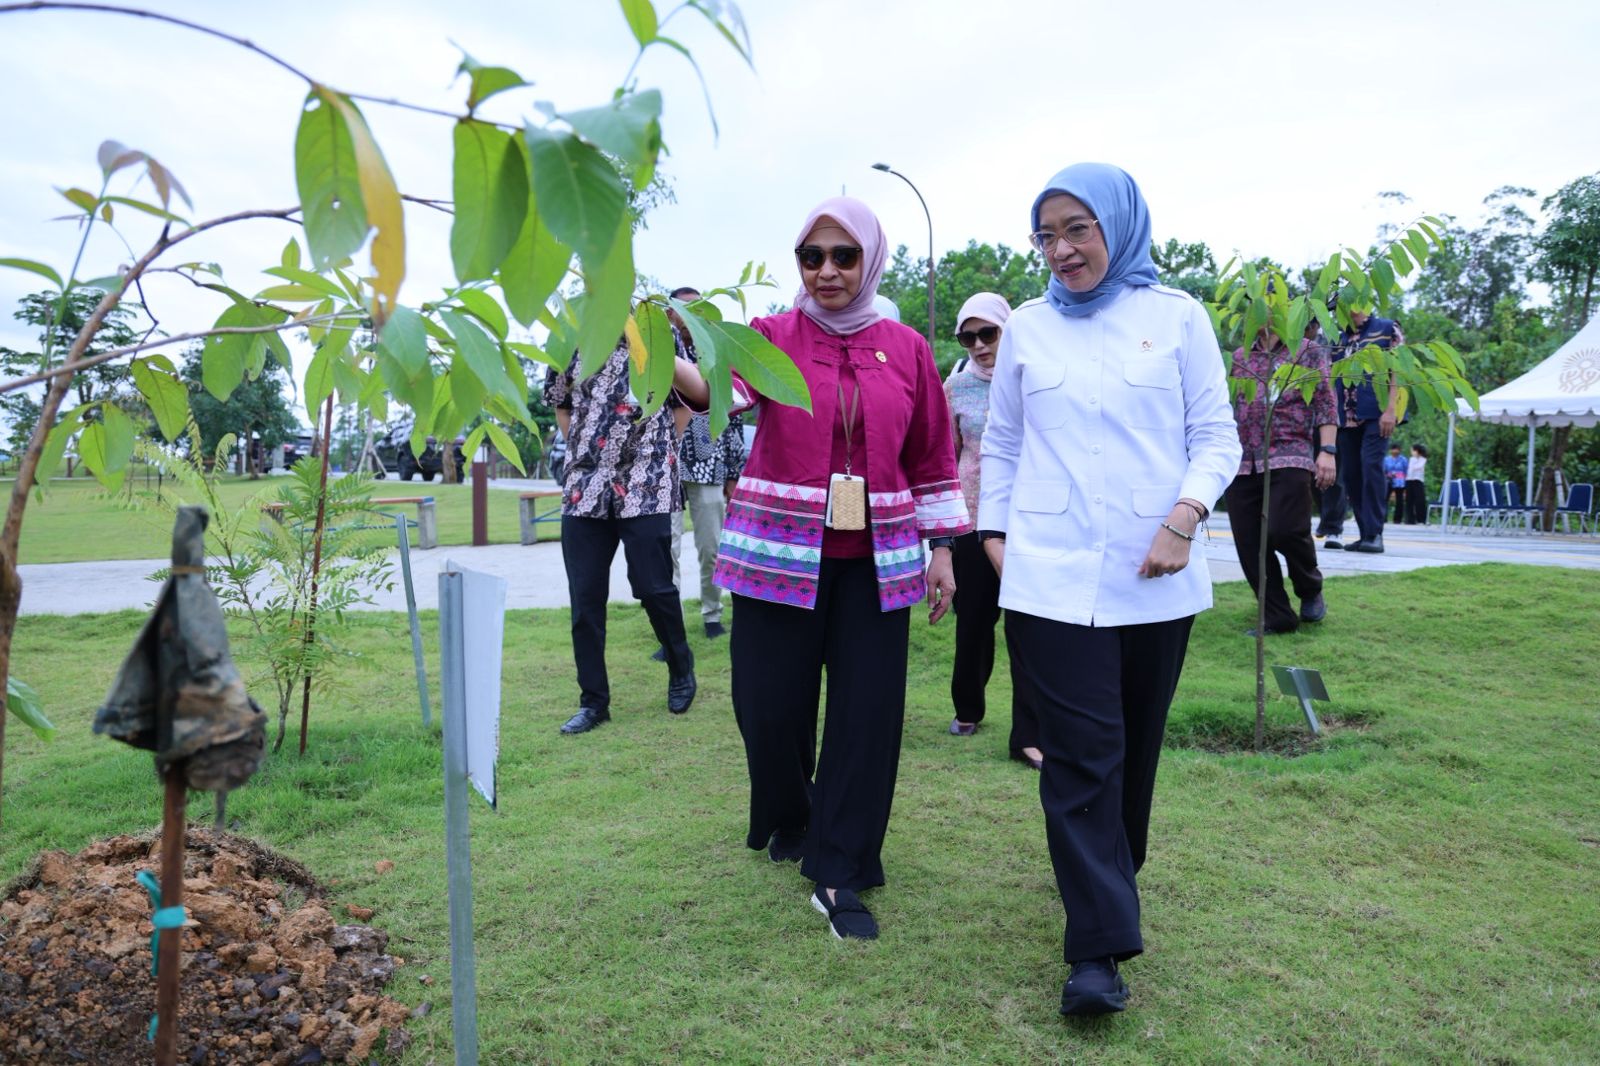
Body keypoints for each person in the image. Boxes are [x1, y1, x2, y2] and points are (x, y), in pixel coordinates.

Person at [979, 164, 1240, 1015]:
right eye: (1046, 235)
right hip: (1048, 578)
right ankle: (1097, 954)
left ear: (1117, 227)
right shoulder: (1024, 328)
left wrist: (1185, 516)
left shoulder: (1177, 318)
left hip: (1155, 579)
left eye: (1077, 230)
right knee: (1082, 760)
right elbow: (1004, 442)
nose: (1060, 250)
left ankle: (1111, 877)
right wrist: (993, 535)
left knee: (1131, 759)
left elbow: (1216, 437)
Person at [672, 196, 968, 942]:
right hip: (778, 556)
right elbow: (717, 392)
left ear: (871, 259)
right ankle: (790, 813)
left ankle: (840, 869)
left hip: (879, 562)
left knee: (866, 719)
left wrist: (942, 550)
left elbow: (931, 453)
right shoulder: (771, 337)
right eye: (812, 257)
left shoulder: (907, 348)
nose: (827, 271)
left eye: (844, 256)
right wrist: (644, 342)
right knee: (766, 708)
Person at [543, 331, 697, 735]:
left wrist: (660, 450)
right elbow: (562, 405)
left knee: (652, 585)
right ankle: (593, 702)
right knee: (585, 597)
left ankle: (680, 665)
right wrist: (588, 447)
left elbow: (685, 404)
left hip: (646, 480)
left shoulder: (654, 335)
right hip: (585, 484)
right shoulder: (566, 339)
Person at [942, 292, 1042, 769]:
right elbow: (946, 453)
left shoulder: (1033, 379)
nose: (979, 345)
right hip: (971, 521)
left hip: (1029, 521)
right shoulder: (955, 388)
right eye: (968, 336)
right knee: (975, 623)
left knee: (1030, 626)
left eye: (989, 333)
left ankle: (1032, 727)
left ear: (1008, 329)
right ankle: (968, 708)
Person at [1223, 326, 1337, 635]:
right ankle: (1277, 615)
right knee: (1249, 542)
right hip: (1243, 461)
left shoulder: (1306, 351)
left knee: (1285, 529)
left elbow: (1326, 400)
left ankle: (1310, 587)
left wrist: (1327, 450)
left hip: (1291, 452)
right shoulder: (1239, 357)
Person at [665, 286, 746, 642]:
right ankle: (669, 627)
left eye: (696, 309)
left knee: (711, 546)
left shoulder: (716, 354)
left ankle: (712, 613)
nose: (689, 316)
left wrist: (732, 473)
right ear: (669, 314)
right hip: (662, 468)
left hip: (708, 464)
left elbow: (734, 417)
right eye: (682, 310)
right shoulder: (657, 353)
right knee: (666, 549)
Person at [1332, 305, 1405, 552]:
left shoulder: (1386, 329)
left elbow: (1399, 369)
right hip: (1346, 417)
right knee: (1352, 475)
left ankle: (1375, 534)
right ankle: (1365, 534)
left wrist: (1391, 409)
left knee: (1371, 467)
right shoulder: (1338, 337)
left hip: (1376, 413)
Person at [1384, 443, 1409, 524]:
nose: (1395, 451)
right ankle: (1383, 517)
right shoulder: (1386, 459)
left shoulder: (1403, 459)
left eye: (1397, 449)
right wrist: (1389, 475)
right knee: (1385, 499)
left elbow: (1406, 471)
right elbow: (1384, 470)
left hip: (1400, 482)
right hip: (1389, 480)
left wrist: (1405, 481)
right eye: (1393, 449)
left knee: (1399, 500)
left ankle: (1397, 519)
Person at [1405, 443, 1429, 524]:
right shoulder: (1411, 459)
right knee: (1409, 500)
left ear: (1417, 451)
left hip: (1418, 481)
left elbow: (1417, 467)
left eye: (1412, 450)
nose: (1411, 452)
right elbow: (1409, 469)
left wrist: (1413, 467)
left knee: (1420, 500)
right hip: (1409, 480)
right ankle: (1410, 519)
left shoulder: (1423, 459)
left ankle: (1421, 519)